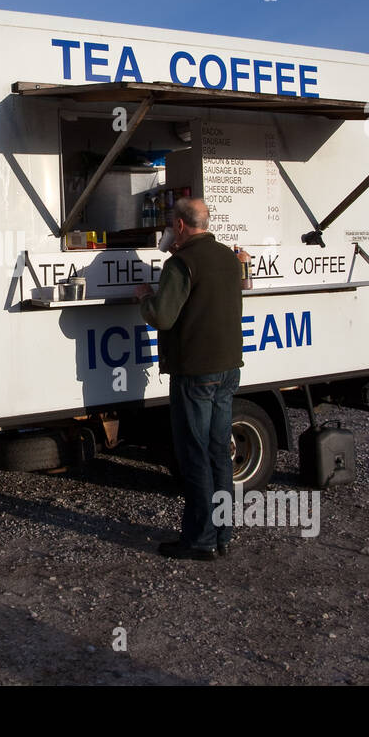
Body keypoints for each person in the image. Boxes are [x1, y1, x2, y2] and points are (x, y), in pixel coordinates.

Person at [134, 198, 247, 561]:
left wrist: (144, 297)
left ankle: (200, 540)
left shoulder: (181, 263)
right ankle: (222, 535)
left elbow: (162, 318)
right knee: (219, 455)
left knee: (195, 456)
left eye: (171, 223)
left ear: (180, 225)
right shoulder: (230, 258)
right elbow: (241, 287)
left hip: (195, 372)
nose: (169, 228)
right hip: (228, 370)